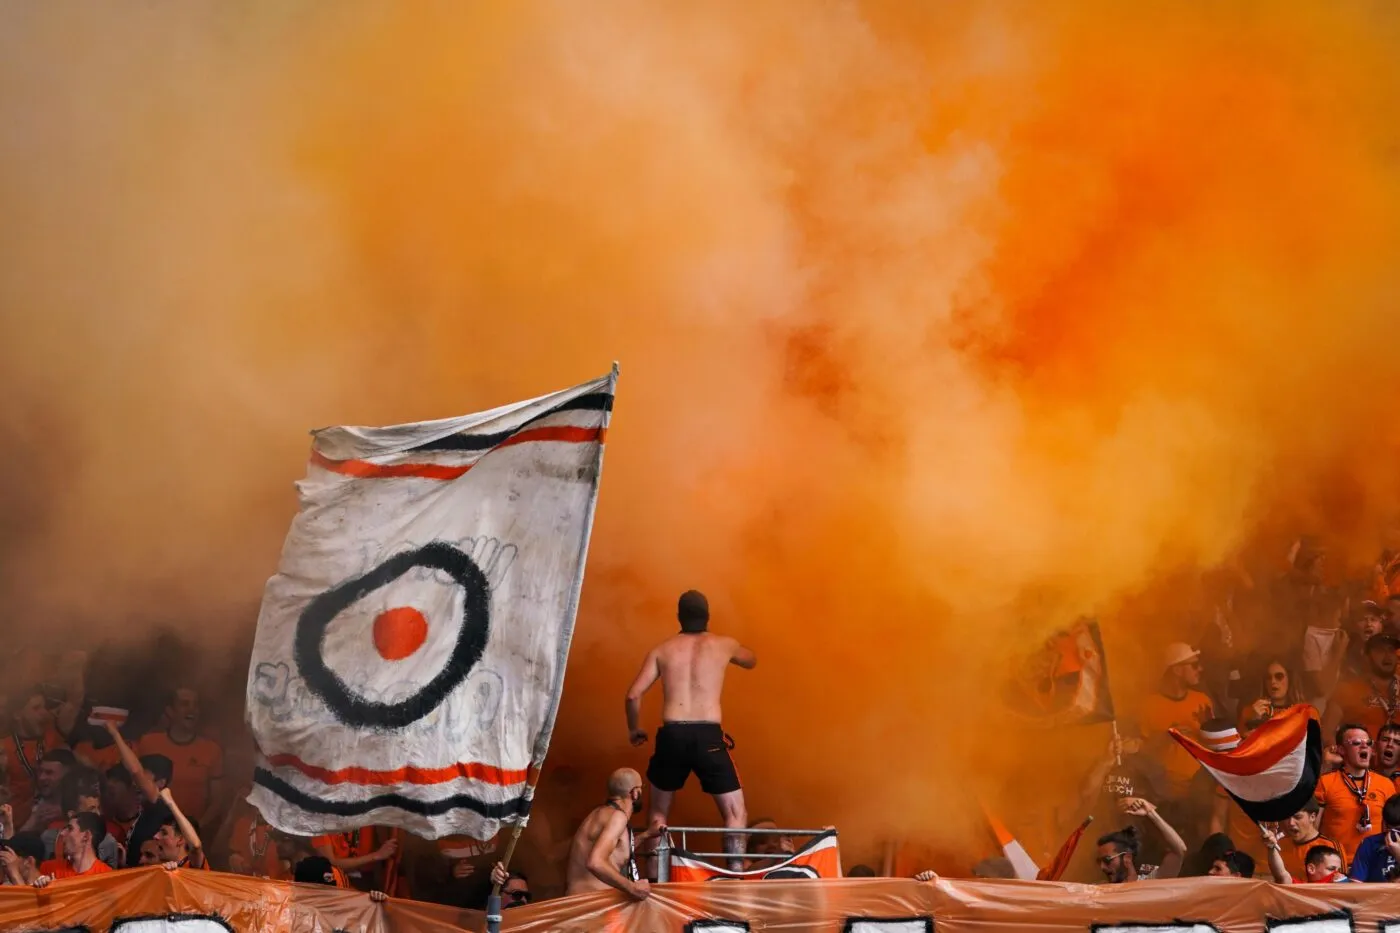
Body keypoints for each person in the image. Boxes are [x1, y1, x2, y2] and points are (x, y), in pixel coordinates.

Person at [626, 590, 756, 869]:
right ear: (708, 616)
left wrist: (634, 729)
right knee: (735, 811)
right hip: (708, 734)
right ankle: (734, 873)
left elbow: (633, 696)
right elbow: (752, 659)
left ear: (679, 616)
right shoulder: (724, 644)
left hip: (673, 734)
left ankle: (653, 881)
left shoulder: (662, 650)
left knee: (658, 815)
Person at [1136, 644, 1214, 806]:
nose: (1200, 668)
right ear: (1177, 670)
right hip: (1164, 794)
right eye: (1193, 665)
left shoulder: (1202, 701)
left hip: (1201, 790)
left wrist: (1206, 730)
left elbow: (1216, 748)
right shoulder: (1149, 706)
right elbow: (1141, 752)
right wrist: (1166, 736)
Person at [136, 687, 225, 826]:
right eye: (184, 704)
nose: (191, 709)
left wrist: (196, 828)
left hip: (193, 834)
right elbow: (134, 789)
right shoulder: (148, 743)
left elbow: (218, 801)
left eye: (195, 705)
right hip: (153, 831)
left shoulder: (211, 750)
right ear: (170, 711)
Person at [565, 768, 651, 900]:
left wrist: (647, 835)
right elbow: (596, 862)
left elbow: (615, 851)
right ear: (634, 793)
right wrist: (632, 888)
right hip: (591, 906)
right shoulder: (617, 817)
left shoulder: (599, 813)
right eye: (641, 788)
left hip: (581, 903)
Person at [1315, 723, 1396, 861]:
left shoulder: (1386, 784)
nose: (1364, 746)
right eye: (1356, 742)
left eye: (1368, 743)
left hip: (1374, 864)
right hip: (1336, 865)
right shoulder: (1325, 782)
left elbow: (1392, 830)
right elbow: (1313, 828)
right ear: (1341, 750)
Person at [3, 686, 77, 828]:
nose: (44, 713)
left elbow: (75, 700)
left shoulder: (53, 738)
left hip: (52, 827)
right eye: (36, 708)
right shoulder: (3, 748)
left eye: (44, 707)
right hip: (14, 831)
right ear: (17, 714)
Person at [1322, 633, 1400, 744]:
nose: (1387, 656)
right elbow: (1327, 733)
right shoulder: (1347, 690)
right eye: (1380, 651)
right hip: (1361, 758)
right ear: (1367, 657)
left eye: (1391, 650)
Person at [1096, 799, 1188, 883]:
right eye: (1099, 862)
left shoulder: (1148, 884)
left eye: (1107, 860)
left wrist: (1150, 813)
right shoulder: (1102, 890)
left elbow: (1180, 850)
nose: (1102, 867)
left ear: (1127, 858)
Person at [33, 812, 112, 885]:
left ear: (86, 836)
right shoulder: (49, 869)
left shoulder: (107, 877)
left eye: (70, 829)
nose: (62, 833)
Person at [310, 827, 397, 892]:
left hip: (365, 878)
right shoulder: (320, 824)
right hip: (334, 882)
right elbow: (330, 863)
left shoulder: (368, 816)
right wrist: (375, 855)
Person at [1277, 799, 1343, 881]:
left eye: (1297, 817)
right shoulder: (1278, 845)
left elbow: (1342, 884)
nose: (1291, 823)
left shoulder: (1331, 846)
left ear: (1312, 817)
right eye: (1287, 817)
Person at [1238, 659, 1308, 736]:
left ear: (1290, 679)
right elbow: (1239, 741)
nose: (1273, 681)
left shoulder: (1302, 711)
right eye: (1268, 677)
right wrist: (1251, 720)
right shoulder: (1250, 711)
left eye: (1279, 676)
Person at [19, 748, 75, 839]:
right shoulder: (30, 806)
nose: (41, 777)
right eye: (40, 772)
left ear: (67, 775)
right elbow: (15, 842)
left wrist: (66, 814)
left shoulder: (81, 805)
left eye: (49, 773)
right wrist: (35, 821)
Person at [1263, 830, 1354, 883]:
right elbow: (1281, 875)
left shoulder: (1343, 888)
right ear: (1311, 869)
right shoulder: (1299, 889)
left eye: (1338, 870)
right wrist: (1271, 848)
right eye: (1331, 869)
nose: (1337, 874)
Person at [1348, 794, 1400, 881]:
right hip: (1376, 894)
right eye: (1389, 828)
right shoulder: (1370, 843)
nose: (1394, 834)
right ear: (1383, 823)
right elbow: (1356, 884)